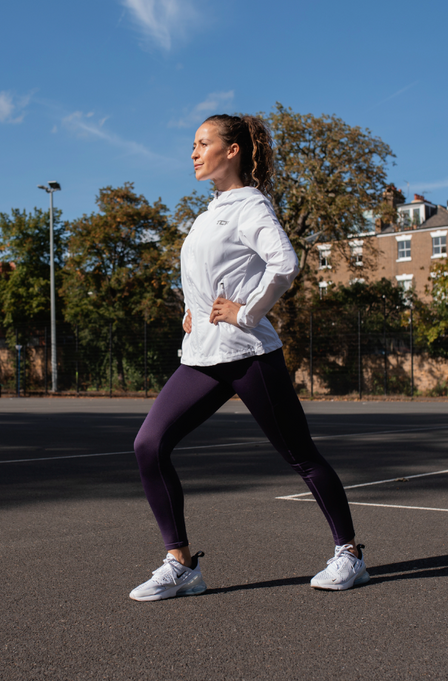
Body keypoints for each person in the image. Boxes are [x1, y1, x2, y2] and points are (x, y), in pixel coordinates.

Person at [128, 114, 367, 602]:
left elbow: (285, 264)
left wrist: (245, 312)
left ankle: (350, 554)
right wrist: (190, 314)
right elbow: (206, 277)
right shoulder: (207, 213)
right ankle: (181, 565)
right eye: (192, 145)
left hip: (248, 354)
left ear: (232, 150)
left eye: (202, 143)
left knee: (300, 455)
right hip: (200, 357)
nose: (193, 152)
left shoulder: (250, 205)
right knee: (148, 445)